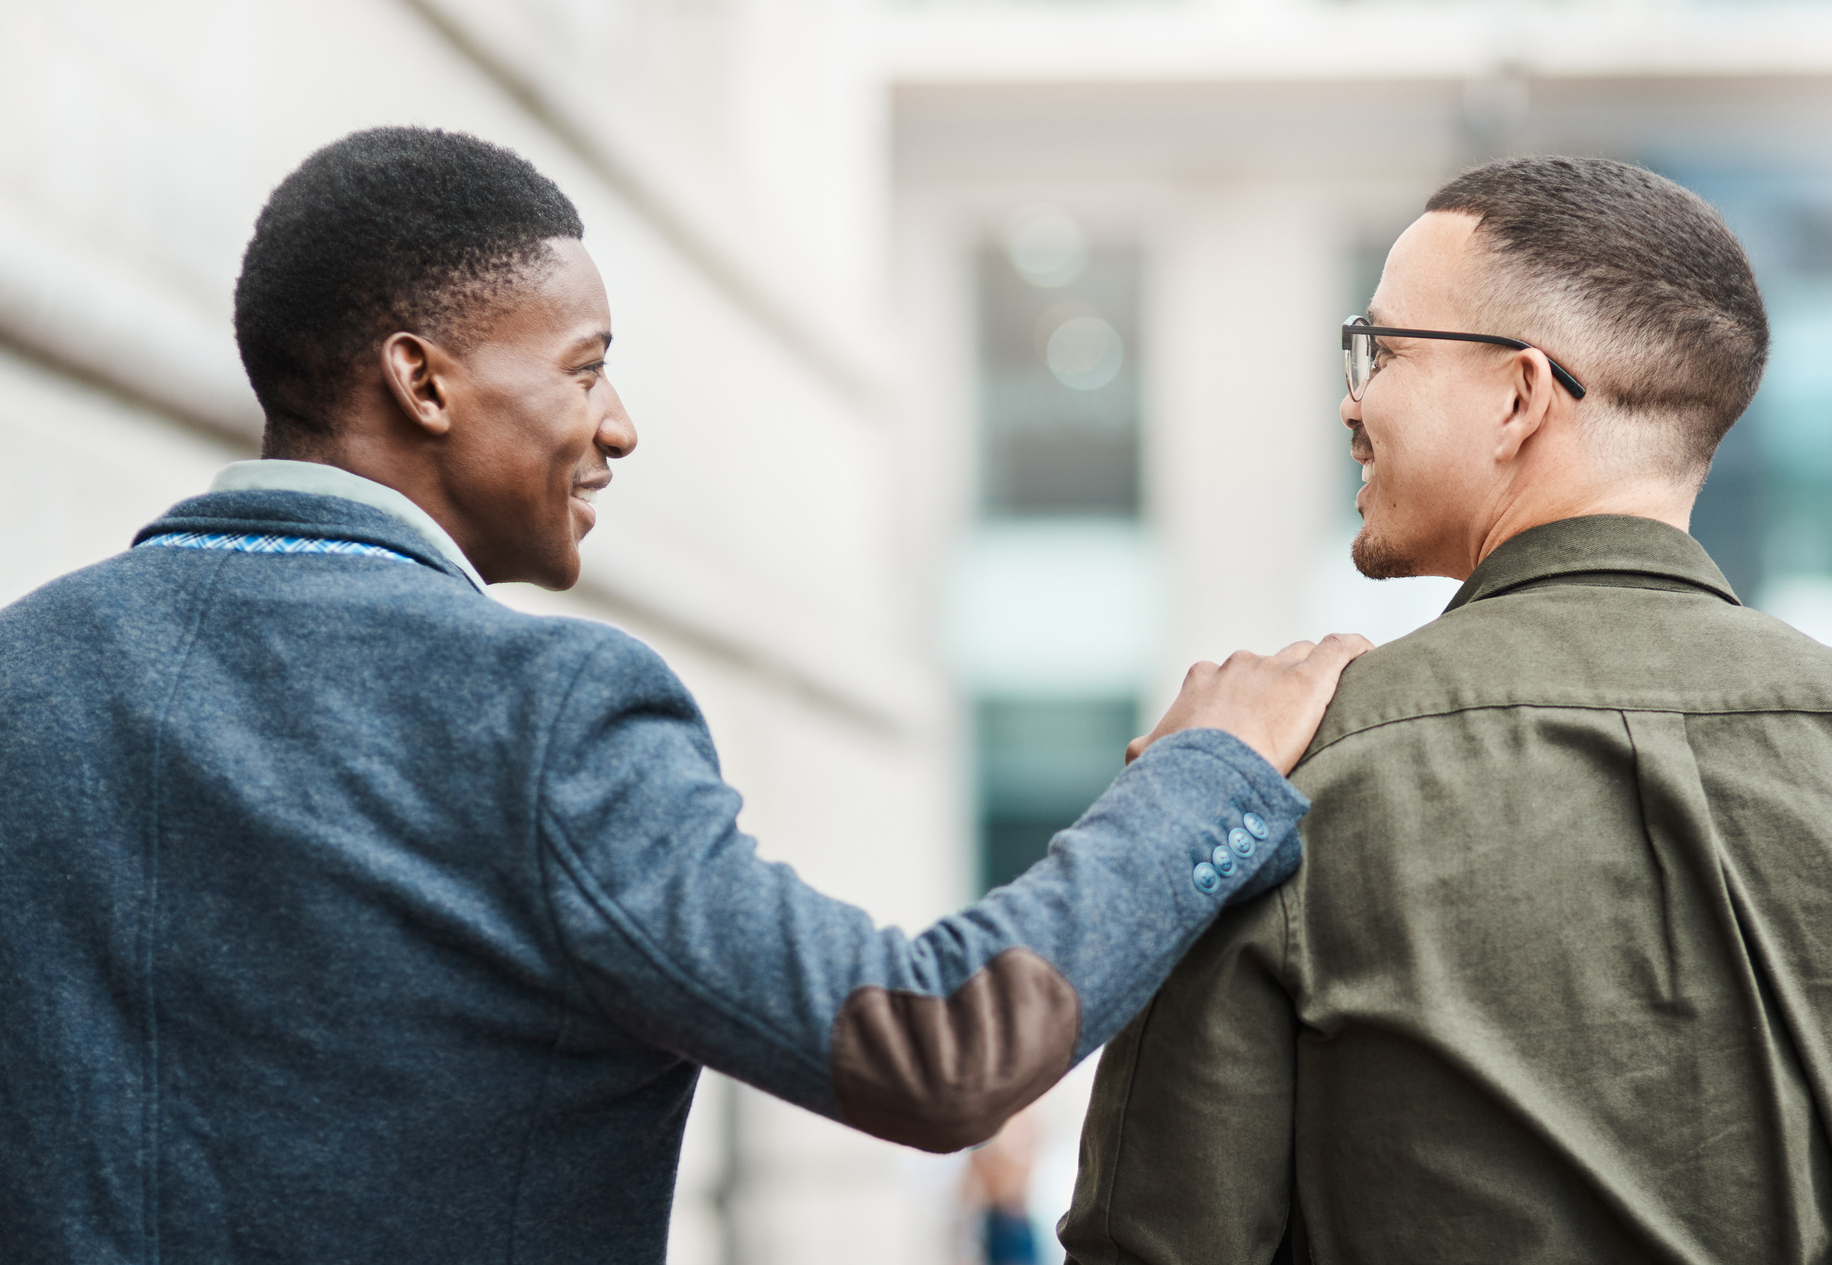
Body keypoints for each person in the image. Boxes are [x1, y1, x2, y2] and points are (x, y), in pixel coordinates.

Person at [0, 127, 1369, 1265]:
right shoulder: (546, 716)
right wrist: (1206, 770)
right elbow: (934, 1041)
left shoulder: (27, 670)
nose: (619, 424)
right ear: (419, 381)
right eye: (584, 366)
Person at [1060, 156, 1832, 1264]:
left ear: (1520, 395)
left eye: (1379, 348)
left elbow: (1156, 1242)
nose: (1351, 398)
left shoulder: (1274, 774)